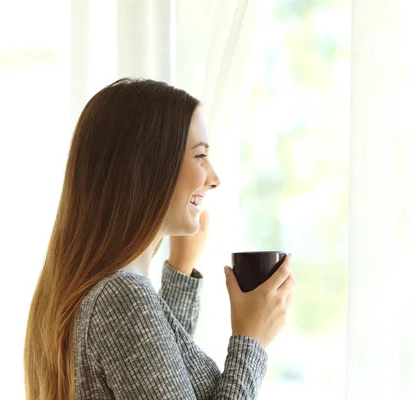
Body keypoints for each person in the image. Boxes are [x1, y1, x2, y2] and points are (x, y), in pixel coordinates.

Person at [23, 78, 296, 400]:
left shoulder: (99, 289)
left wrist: (181, 269)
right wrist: (251, 342)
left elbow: (157, 372)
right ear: (148, 167)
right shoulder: (121, 295)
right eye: (199, 156)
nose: (214, 178)